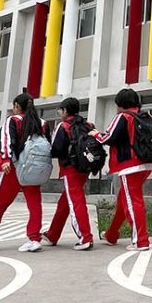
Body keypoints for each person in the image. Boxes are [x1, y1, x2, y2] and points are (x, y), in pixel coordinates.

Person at [0, 93, 49, 253]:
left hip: (14, 168)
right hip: (34, 169)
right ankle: (34, 238)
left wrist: (6, 159)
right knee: (35, 204)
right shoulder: (42, 123)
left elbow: (7, 140)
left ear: (16, 106)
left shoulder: (12, 120)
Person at [99, 88, 152, 250]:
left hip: (130, 165)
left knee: (133, 201)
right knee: (125, 199)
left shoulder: (123, 117)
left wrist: (95, 134)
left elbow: (108, 138)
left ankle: (141, 241)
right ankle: (111, 234)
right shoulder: (145, 116)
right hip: (147, 163)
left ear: (121, 104)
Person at [43, 97, 100, 251]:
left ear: (65, 111)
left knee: (76, 202)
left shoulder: (63, 126)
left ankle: (85, 237)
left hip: (70, 169)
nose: (59, 112)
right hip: (86, 168)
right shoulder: (88, 125)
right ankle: (52, 235)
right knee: (65, 202)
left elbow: (56, 150)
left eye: (60, 110)